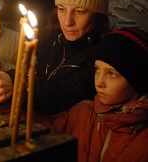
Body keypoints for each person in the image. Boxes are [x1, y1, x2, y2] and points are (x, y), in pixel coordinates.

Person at [0, 0, 113, 114]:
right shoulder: (53, 42)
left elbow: (67, 94)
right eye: (61, 9)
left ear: (97, 15)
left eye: (79, 11)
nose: (67, 22)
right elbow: (38, 78)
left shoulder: (104, 53)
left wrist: (17, 83)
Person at [34, 28, 148, 161]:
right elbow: (41, 125)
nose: (99, 82)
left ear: (137, 80)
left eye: (111, 74)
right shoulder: (83, 113)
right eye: (97, 70)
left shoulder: (143, 141)